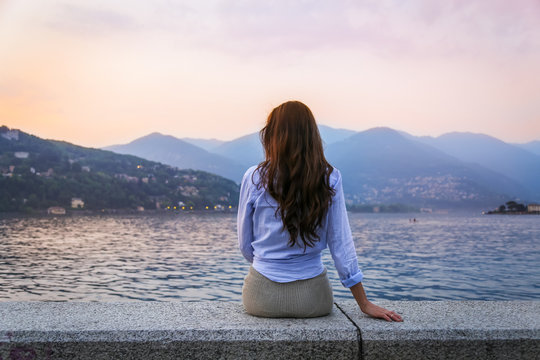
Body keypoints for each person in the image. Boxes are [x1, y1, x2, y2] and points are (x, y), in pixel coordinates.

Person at [237, 100, 402, 321]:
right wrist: (364, 303)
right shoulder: (330, 177)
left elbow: (245, 246)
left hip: (261, 297)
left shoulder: (254, 178)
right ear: (311, 136)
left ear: (272, 135)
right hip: (313, 299)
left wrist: (270, 263)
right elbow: (341, 245)